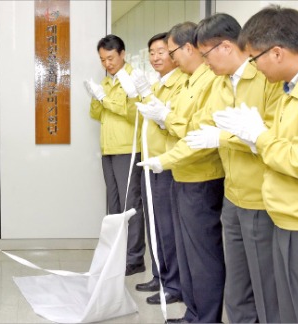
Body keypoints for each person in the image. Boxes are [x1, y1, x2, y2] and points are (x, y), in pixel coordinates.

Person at [214, 6, 298, 323]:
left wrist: (260, 138)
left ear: (277, 53)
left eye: (255, 59)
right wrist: (261, 138)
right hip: (287, 219)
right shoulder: (291, 89)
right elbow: (285, 148)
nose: (255, 69)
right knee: (289, 315)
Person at [178, 13, 283, 322]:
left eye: (206, 53)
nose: (205, 62)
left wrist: (226, 137)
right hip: (232, 195)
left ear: (225, 46)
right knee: (236, 291)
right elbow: (203, 125)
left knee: (265, 289)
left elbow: (272, 136)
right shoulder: (223, 83)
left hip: (259, 199)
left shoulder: (264, 79)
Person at [137, 22, 224, 323]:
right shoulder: (190, 80)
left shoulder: (210, 81)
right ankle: (193, 313)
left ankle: (206, 317)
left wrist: (166, 154)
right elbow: (183, 124)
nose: (169, 58)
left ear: (189, 48)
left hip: (201, 175)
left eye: (170, 51)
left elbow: (194, 131)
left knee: (202, 256)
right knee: (188, 253)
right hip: (183, 172)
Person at [84, 34, 146, 276]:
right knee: (114, 206)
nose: (107, 64)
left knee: (131, 205)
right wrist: (97, 97)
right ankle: (118, 253)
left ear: (122, 54)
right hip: (108, 149)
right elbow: (96, 114)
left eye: (110, 58)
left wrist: (105, 101)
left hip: (127, 149)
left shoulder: (133, 80)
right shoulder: (107, 81)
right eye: (102, 60)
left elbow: (134, 115)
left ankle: (135, 258)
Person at [133, 32, 186, 306]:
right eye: (151, 52)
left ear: (175, 54)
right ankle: (159, 274)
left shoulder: (180, 84)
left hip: (167, 162)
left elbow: (174, 123)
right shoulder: (159, 84)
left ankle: (173, 283)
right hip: (150, 160)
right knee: (154, 223)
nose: (155, 57)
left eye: (161, 51)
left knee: (166, 226)